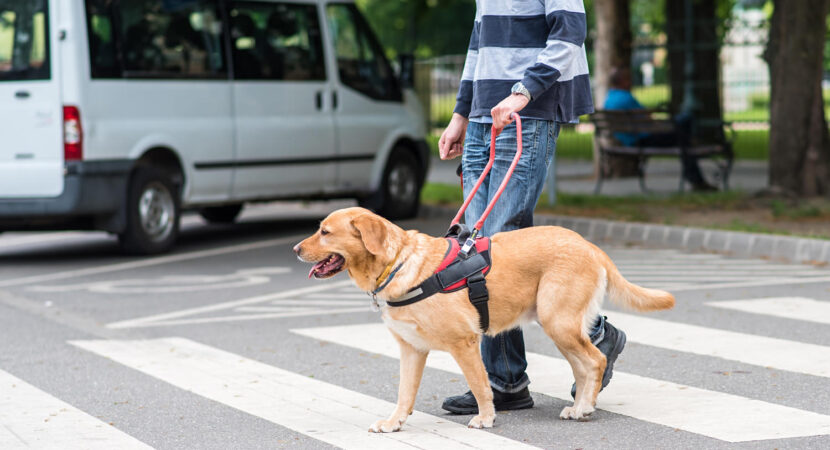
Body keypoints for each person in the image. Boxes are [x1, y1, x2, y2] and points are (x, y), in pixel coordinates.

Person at [438, 0, 627, 414]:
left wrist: (523, 92)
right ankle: (505, 382)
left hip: (528, 110)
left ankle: (594, 336)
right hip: (482, 114)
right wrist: (460, 113)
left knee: (500, 245)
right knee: (477, 251)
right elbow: (478, 47)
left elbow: (569, 34)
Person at [604, 67, 718, 191]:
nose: (630, 82)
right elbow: (647, 118)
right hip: (641, 140)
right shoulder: (626, 98)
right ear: (623, 81)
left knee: (682, 131)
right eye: (628, 80)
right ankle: (696, 178)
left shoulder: (609, 99)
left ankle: (693, 157)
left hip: (630, 140)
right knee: (684, 132)